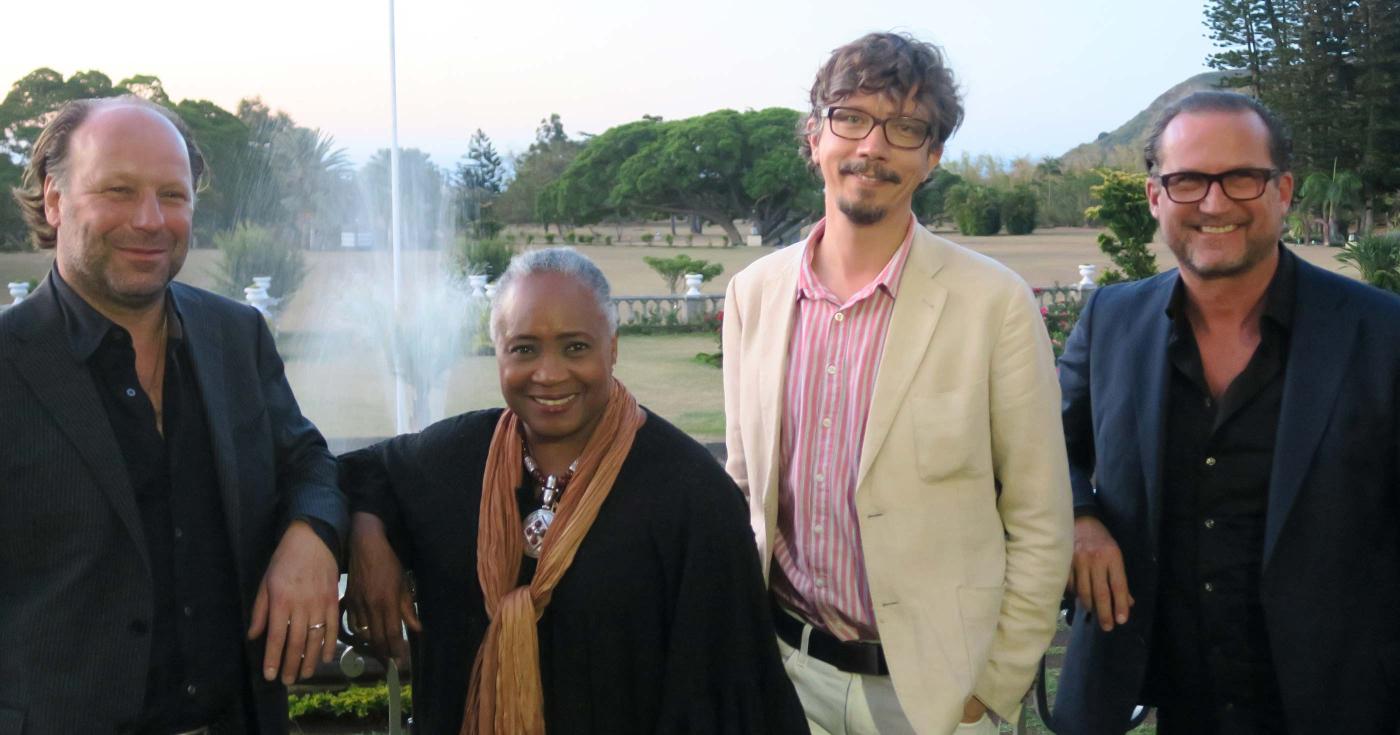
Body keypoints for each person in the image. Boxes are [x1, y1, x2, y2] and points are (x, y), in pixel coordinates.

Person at [722, 32, 1073, 734]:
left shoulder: (993, 304)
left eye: (906, 127)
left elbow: (1040, 516)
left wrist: (995, 684)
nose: (874, 146)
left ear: (932, 155)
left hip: (938, 697)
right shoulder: (753, 294)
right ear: (815, 135)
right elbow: (743, 485)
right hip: (788, 676)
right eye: (851, 117)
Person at [340, 247, 807, 734]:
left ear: (613, 347)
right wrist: (369, 531)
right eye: (524, 348)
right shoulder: (454, 460)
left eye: (575, 347)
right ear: (497, 350)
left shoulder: (692, 497)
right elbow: (360, 475)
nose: (549, 373)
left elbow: (728, 690)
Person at [1054, 91, 1400, 734]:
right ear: (1157, 197)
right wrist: (1079, 516)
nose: (1215, 203)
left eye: (1242, 177)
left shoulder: (1381, 332)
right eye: (1188, 180)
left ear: (1283, 190)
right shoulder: (1110, 321)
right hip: (1178, 700)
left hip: (1339, 700)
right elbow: (1044, 444)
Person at [0, 96, 346, 734]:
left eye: (173, 195)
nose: (151, 219)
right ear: (54, 199)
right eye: (118, 191)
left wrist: (312, 535)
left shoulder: (235, 335)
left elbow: (306, 459)